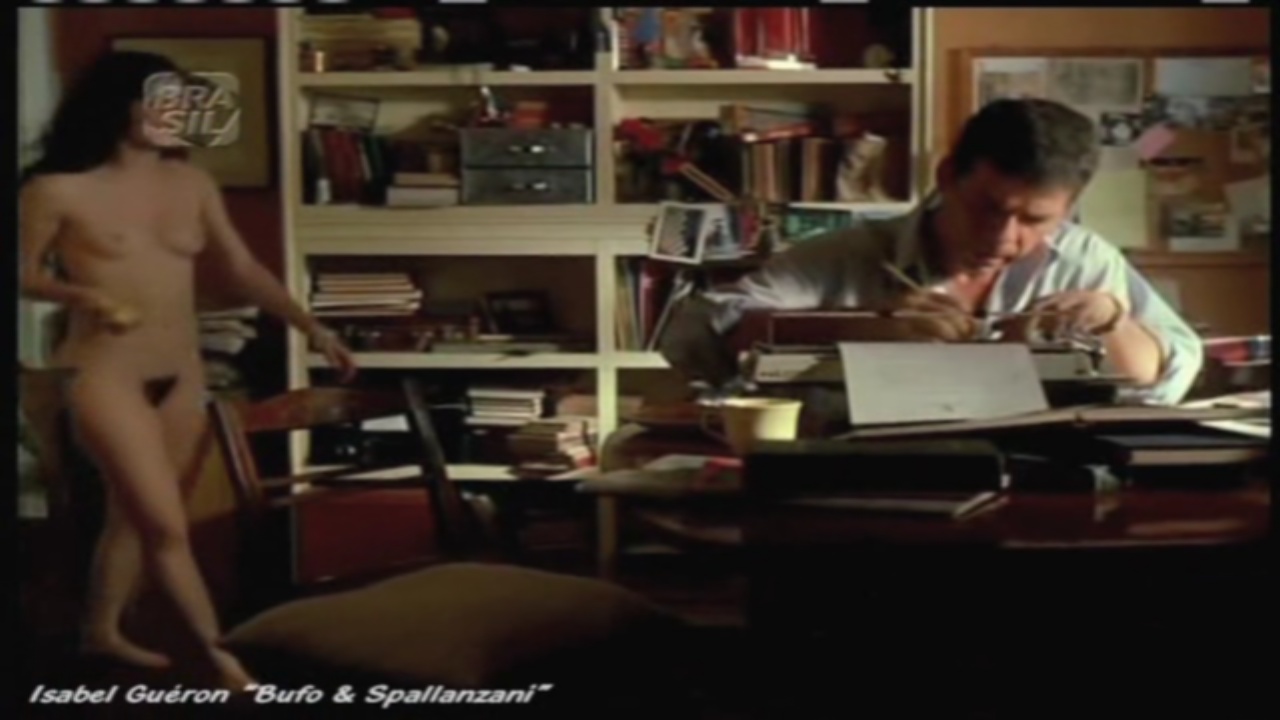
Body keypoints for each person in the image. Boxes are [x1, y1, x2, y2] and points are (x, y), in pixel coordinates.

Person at [18, 50, 356, 688]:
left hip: (184, 372)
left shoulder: (191, 183)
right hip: (104, 375)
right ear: (119, 106)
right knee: (167, 527)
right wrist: (84, 296)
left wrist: (313, 327)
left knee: (134, 514)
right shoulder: (57, 190)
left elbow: (242, 269)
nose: (177, 114)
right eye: (163, 101)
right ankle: (222, 657)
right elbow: (23, 275)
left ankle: (99, 629)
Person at [659, 98, 1202, 406]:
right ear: (947, 177)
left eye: (1035, 221)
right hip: (866, 485)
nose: (1005, 238)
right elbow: (698, 331)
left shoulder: (1086, 259)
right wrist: (870, 329)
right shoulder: (850, 252)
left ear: (1069, 208)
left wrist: (1112, 320)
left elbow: (1167, 375)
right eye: (988, 208)